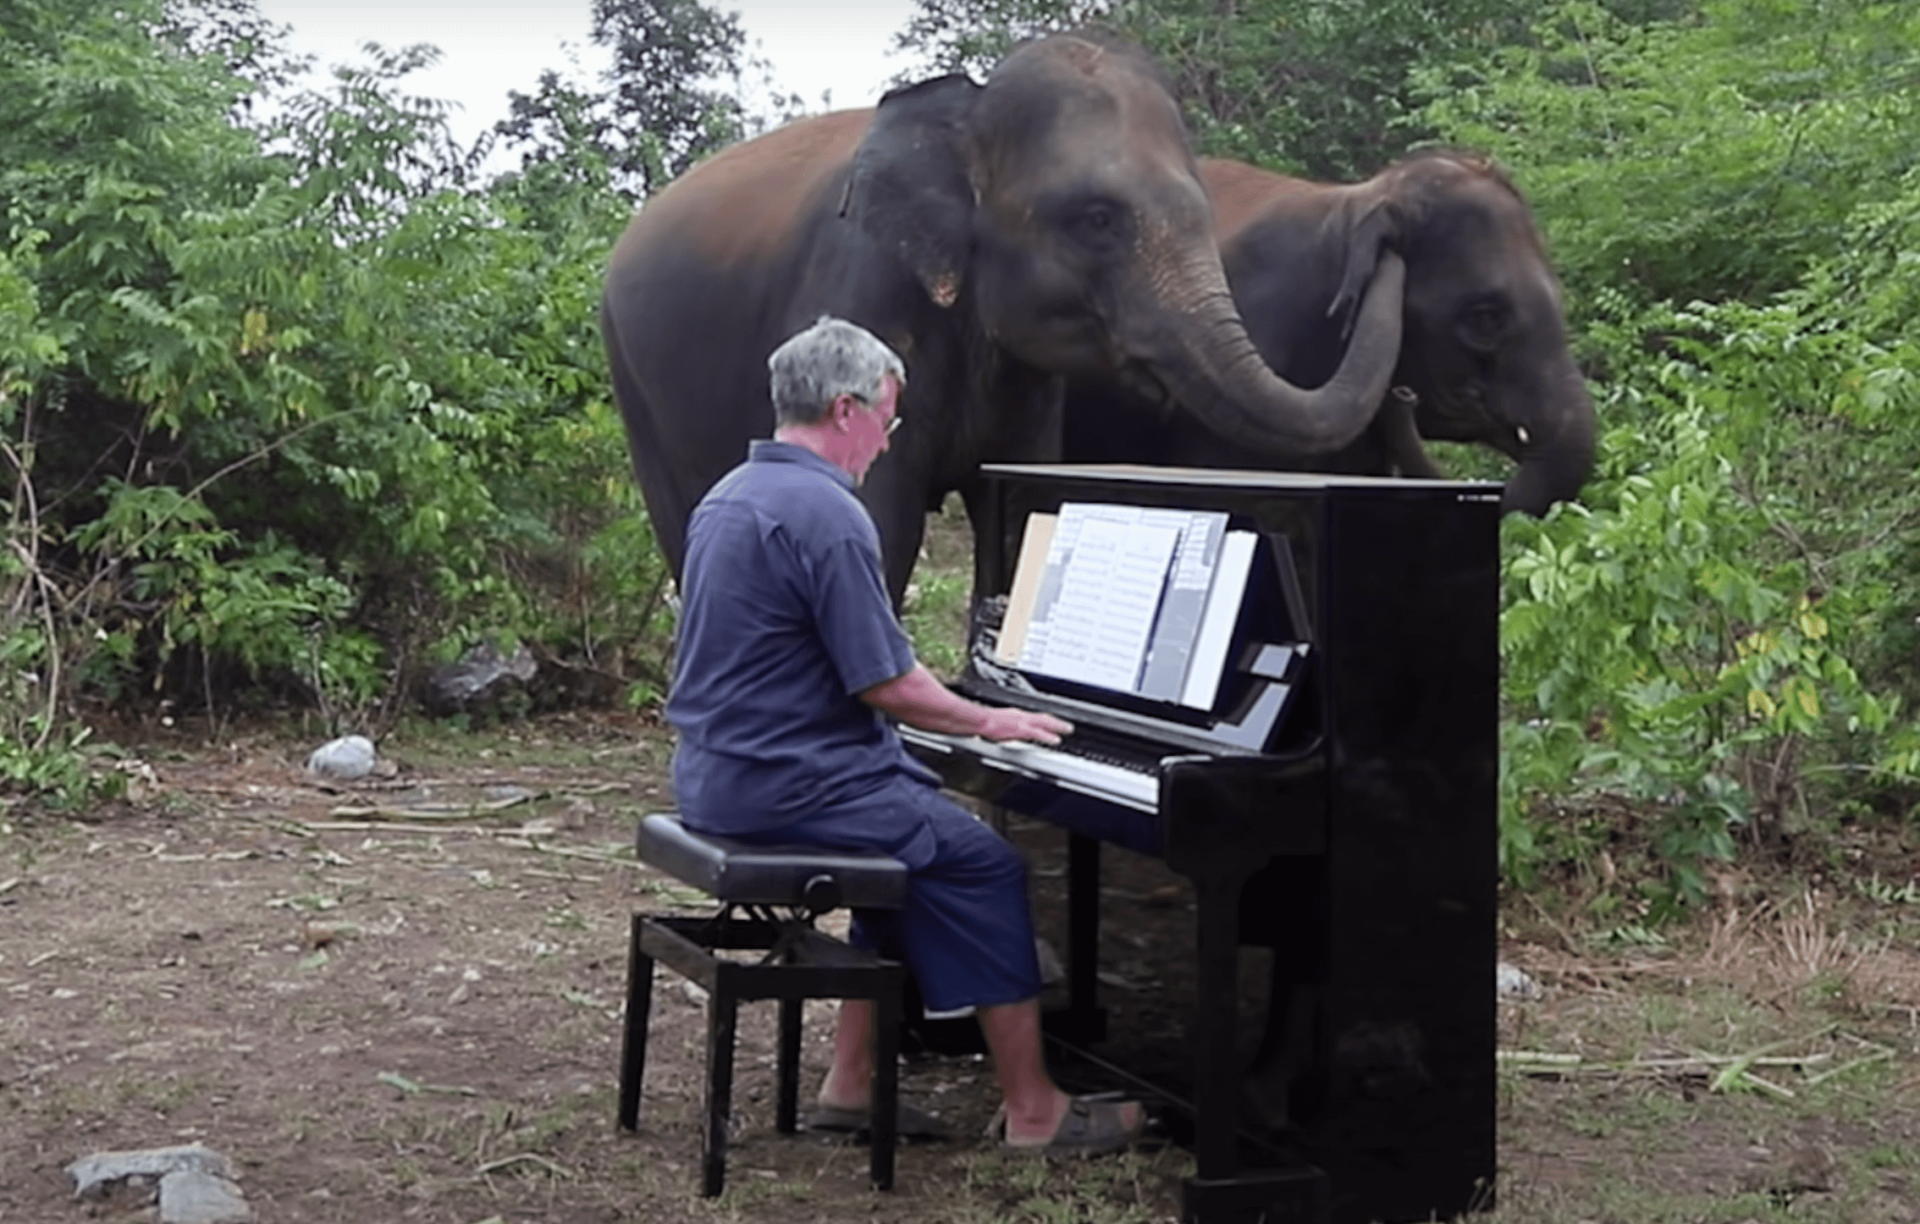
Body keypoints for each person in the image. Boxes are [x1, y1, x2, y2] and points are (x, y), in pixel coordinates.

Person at [665, 315, 1146, 1156]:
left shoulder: (728, 496)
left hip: (718, 774)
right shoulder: (826, 511)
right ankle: (1036, 1110)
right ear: (846, 408)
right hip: (787, 787)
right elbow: (887, 684)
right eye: (889, 417)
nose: (890, 439)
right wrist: (991, 717)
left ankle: (850, 1084)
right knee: (982, 861)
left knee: (906, 856)